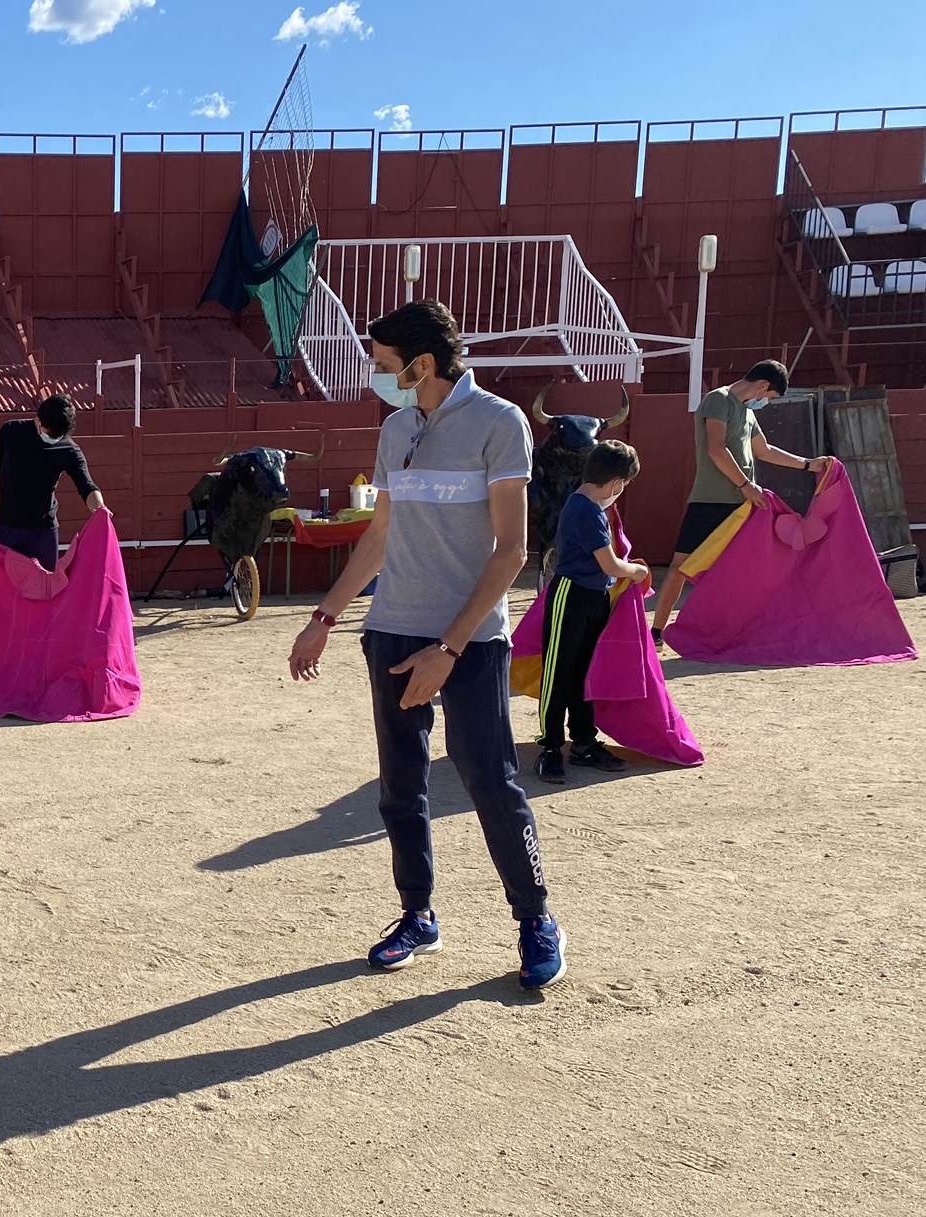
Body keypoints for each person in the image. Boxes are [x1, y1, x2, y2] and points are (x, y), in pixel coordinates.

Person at [286, 299, 566, 991]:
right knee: (400, 788)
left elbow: (512, 551)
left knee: (489, 780)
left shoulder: (500, 424)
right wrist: (323, 618)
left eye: (384, 363)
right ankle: (417, 914)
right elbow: (379, 536)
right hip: (391, 631)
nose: (376, 373)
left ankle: (535, 919)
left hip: (467, 641)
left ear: (423, 363)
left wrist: (449, 645)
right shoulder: (396, 430)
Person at [650, 360, 828, 646]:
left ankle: (730, 632)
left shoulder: (746, 412)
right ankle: (656, 632)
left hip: (743, 506)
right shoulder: (718, 400)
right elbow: (716, 450)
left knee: (739, 572)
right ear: (762, 386)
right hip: (711, 500)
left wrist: (808, 465)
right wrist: (746, 486)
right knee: (679, 568)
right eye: (768, 397)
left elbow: (765, 450)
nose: (764, 402)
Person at [534, 440, 651, 785]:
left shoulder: (585, 505)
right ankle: (551, 747)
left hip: (590, 596)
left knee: (583, 673)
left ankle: (583, 742)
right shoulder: (585, 509)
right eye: (624, 486)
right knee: (559, 673)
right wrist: (637, 572)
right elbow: (610, 564)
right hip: (571, 596)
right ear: (616, 484)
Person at [0, 395, 105, 570]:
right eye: (49, 433)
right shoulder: (11, 431)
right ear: (37, 420)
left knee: (45, 591)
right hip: (6, 527)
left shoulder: (69, 449)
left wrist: (101, 509)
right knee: (2, 591)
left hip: (43, 533)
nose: (52, 437)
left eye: (57, 435)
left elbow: (87, 487)